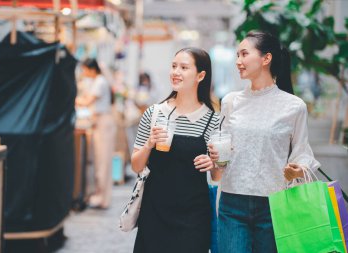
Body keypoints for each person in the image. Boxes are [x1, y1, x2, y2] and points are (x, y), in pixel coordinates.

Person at [208, 31, 320, 253]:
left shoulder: (294, 106)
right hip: (232, 203)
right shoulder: (230, 101)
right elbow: (220, 162)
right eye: (237, 55)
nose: (238, 61)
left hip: (274, 205)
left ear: (266, 58)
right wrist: (216, 158)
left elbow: (302, 153)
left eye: (244, 54)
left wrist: (298, 169)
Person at [131, 47, 221, 253]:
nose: (175, 72)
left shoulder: (213, 120)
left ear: (201, 75)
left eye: (183, 67)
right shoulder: (154, 113)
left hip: (194, 216)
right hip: (154, 212)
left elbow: (216, 175)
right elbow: (136, 165)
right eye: (173, 66)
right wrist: (149, 144)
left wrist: (213, 163)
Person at [75, 58, 116, 209]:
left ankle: (103, 198)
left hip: (103, 123)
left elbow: (87, 101)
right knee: (99, 161)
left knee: (103, 162)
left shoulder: (100, 81)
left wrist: (74, 99)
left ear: (91, 69)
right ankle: (100, 196)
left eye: (85, 70)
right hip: (99, 123)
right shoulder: (98, 81)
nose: (84, 74)